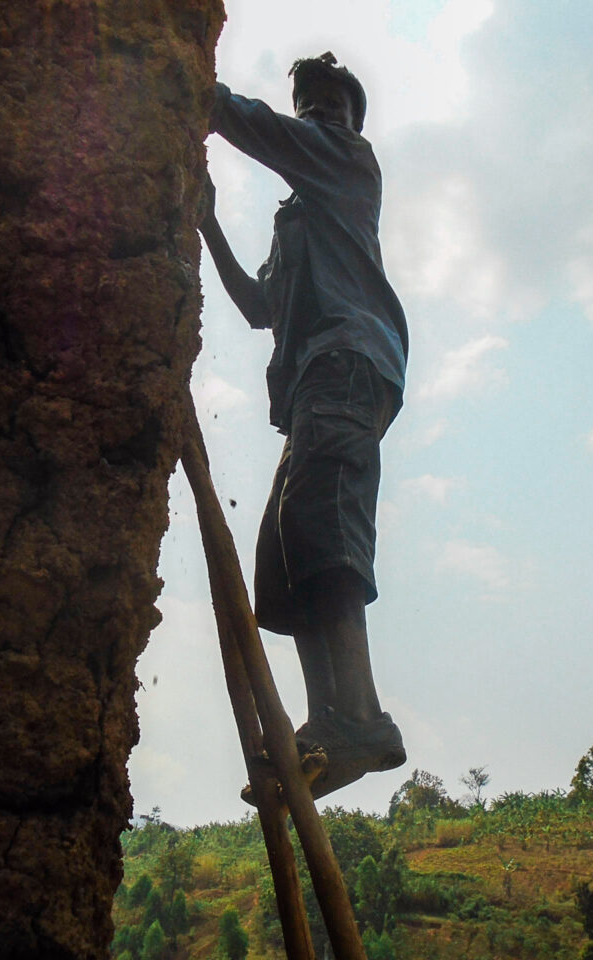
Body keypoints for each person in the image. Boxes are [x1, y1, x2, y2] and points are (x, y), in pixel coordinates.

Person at [199, 53, 409, 798]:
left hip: (349, 362)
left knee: (322, 522)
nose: (316, 113)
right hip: (316, 384)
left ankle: (361, 716)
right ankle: (329, 725)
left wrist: (198, 91)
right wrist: (207, 222)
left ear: (350, 120)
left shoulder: (346, 163)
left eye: (329, 104)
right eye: (308, 102)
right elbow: (261, 308)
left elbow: (262, 130)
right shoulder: (299, 221)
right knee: (285, 552)